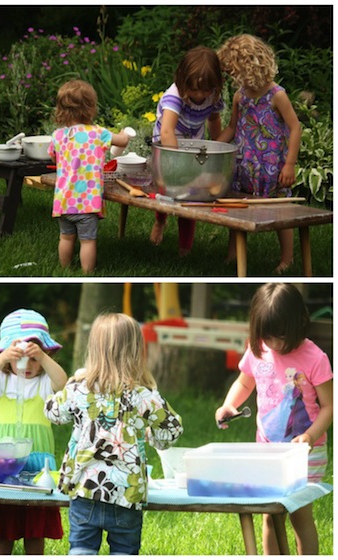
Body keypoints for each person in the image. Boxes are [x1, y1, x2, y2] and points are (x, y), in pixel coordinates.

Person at [44, 312, 183, 555]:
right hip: (127, 494)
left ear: (94, 349)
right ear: (137, 351)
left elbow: (54, 413)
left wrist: (68, 387)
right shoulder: (145, 394)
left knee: (82, 549)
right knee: (124, 552)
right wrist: (151, 435)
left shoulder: (79, 389)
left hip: (85, 488)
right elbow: (172, 430)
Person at [215, 283, 333, 555]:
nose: (274, 344)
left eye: (280, 336)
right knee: (270, 514)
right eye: (267, 337)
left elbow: (329, 407)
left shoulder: (315, 357)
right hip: (266, 450)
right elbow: (245, 384)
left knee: (299, 517)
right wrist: (229, 405)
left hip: (305, 454)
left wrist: (310, 437)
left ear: (299, 323)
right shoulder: (258, 348)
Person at [0, 309, 68, 555]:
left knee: (35, 529)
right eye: (19, 358)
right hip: (2, 463)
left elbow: (63, 383)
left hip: (37, 465)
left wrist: (44, 359)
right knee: (3, 528)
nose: (27, 365)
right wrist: (2, 358)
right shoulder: (1, 382)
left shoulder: (45, 383)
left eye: (34, 359)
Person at [217, 34, 302, 273]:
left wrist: (290, 164)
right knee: (237, 211)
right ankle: (232, 255)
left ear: (250, 66)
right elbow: (232, 128)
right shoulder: (240, 96)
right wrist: (213, 147)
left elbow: (295, 128)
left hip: (273, 168)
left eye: (235, 73)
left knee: (282, 212)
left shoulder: (277, 95)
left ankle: (287, 259)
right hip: (246, 166)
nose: (233, 79)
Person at [48, 79, 130, 273]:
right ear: (90, 108)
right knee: (87, 241)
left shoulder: (58, 136)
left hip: (64, 200)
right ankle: (87, 273)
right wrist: (124, 133)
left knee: (65, 237)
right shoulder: (97, 133)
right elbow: (122, 141)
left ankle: (64, 270)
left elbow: (52, 154)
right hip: (86, 202)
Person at [150, 46, 224, 256]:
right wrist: (177, 163)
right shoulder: (175, 96)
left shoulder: (213, 95)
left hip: (193, 144)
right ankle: (160, 221)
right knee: (168, 191)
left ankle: (185, 250)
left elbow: (214, 118)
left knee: (191, 195)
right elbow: (167, 131)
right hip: (168, 147)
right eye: (194, 90)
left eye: (205, 90)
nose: (200, 95)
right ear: (183, 81)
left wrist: (217, 146)